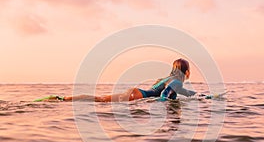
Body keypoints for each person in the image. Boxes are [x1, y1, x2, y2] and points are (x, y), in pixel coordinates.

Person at [35, 58, 197, 102]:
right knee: (99, 100)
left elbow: (184, 92)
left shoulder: (168, 79)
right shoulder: (176, 82)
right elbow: (164, 97)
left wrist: (202, 96)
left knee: (99, 99)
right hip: (136, 97)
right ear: (187, 72)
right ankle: (61, 99)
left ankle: (62, 98)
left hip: (136, 94)